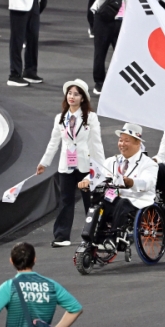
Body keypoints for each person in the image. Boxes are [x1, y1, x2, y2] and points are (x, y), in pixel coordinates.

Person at [37, 80, 105, 247]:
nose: (72, 97)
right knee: (65, 200)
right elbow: (53, 143)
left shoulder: (91, 117)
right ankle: (62, 236)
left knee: (90, 202)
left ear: (83, 98)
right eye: (69, 93)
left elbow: (97, 144)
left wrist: (101, 168)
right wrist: (44, 163)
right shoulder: (60, 118)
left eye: (76, 94)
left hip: (85, 165)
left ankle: (94, 235)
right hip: (66, 165)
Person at [77, 123, 158, 234]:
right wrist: (87, 181)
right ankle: (92, 235)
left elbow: (148, 183)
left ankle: (113, 235)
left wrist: (131, 182)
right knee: (98, 200)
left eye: (126, 141)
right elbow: (98, 174)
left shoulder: (148, 163)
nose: (122, 144)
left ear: (138, 142)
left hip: (137, 201)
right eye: (120, 140)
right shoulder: (112, 161)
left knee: (122, 202)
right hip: (115, 199)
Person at [0, 242, 82, 327]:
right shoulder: (51, 285)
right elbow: (76, 308)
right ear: (34, 259)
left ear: (11, 261)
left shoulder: (9, 287)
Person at [91, 0, 130, 94]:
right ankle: (99, 82)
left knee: (121, 53)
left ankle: (120, 81)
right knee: (100, 52)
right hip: (103, 18)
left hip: (120, 19)